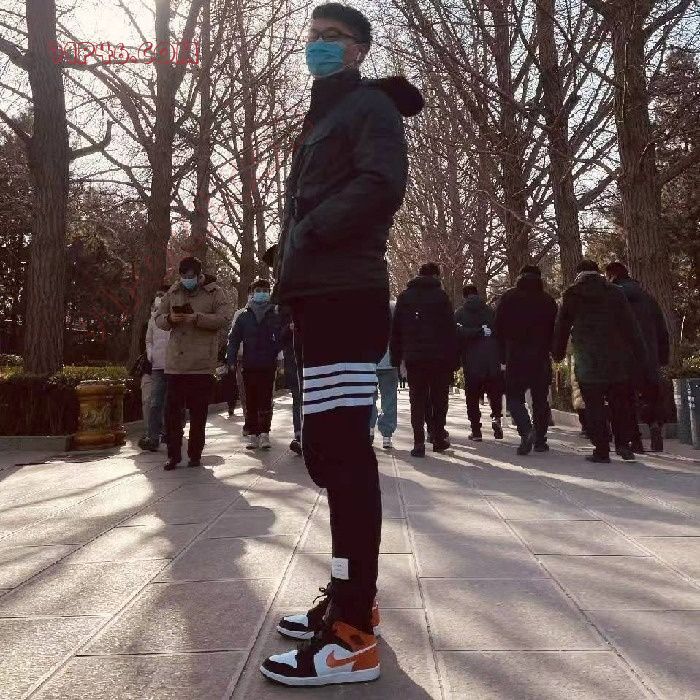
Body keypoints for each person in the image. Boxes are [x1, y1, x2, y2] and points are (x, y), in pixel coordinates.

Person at [261, 2, 423, 687]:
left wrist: (311, 231)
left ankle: (352, 632)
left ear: (358, 50)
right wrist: (289, 249)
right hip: (318, 295)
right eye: (313, 37)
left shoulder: (369, 107)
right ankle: (349, 598)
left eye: (333, 38)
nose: (319, 47)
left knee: (343, 453)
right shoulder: (325, 113)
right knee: (329, 451)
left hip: (345, 295)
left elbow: (382, 184)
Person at [552, 259, 647, 463]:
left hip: (587, 359)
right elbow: (630, 325)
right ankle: (623, 445)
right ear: (598, 272)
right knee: (619, 403)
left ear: (578, 274)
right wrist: (640, 354)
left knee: (593, 405)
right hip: (616, 358)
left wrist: (557, 353)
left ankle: (602, 449)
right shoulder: (615, 292)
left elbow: (562, 326)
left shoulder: (572, 294)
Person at [156, 256, 234, 470]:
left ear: (199, 276)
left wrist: (197, 318)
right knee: (172, 414)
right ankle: (173, 455)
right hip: (176, 364)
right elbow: (158, 318)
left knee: (199, 413)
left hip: (201, 364)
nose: (187, 280)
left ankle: (195, 454)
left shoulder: (214, 292)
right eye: (183, 276)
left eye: (191, 276)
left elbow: (224, 318)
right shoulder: (173, 291)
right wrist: (170, 319)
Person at [391, 262, 457, 458]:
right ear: (436, 276)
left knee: (417, 399)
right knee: (439, 399)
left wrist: (396, 357)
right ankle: (438, 437)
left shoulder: (405, 297)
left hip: (414, 357)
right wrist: (454, 359)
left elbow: (396, 330)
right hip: (439, 358)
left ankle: (418, 442)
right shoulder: (441, 296)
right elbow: (450, 330)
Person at [605, 261, 670, 452]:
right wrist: (663, 357)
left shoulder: (613, 298)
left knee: (626, 399)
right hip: (649, 355)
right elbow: (662, 330)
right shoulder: (648, 299)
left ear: (612, 276)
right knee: (650, 395)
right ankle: (654, 425)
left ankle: (636, 440)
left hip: (624, 357)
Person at [495, 265, 558, 454]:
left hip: (515, 355)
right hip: (540, 356)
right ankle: (540, 440)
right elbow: (555, 330)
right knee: (540, 400)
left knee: (514, 397)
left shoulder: (508, 298)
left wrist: (501, 354)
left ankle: (525, 429)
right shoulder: (547, 300)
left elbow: (497, 327)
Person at [226, 279, 282, 450]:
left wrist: (278, 356)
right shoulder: (244, 316)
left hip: (268, 364)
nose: (262, 293)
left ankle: (264, 433)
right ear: (252, 293)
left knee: (266, 399)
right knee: (250, 400)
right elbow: (234, 339)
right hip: (249, 365)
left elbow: (281, 338)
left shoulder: (274, 315)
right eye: (258, 290)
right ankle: (253, 434)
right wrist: (231, 359)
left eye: (265, 290)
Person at [455, 285, 503, 442]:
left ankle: (476, 430)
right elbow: (498, 331)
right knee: (494, 392)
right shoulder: (489, 311)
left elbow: (456, 334)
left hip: (471, 361)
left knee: (472, 396)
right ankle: (496, 417)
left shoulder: (460, 313)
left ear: (464, 296)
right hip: (491, 359)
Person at [139, 286, 171, 451]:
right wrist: (150, 353)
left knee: (171, 402)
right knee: (155, 402)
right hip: (157, 367)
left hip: (174, 366)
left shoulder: (174, 318)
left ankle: (170, 433)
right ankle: (152, 437)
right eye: (155, 306)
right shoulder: (152, 321)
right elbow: (148, 340)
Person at [371, 300, 399, 449]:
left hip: (369, 361)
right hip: (389, 361)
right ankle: (387, 435)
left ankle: (369, 429)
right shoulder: (393, 307)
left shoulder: (365, 306)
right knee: (389, 399)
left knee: (369, 398)